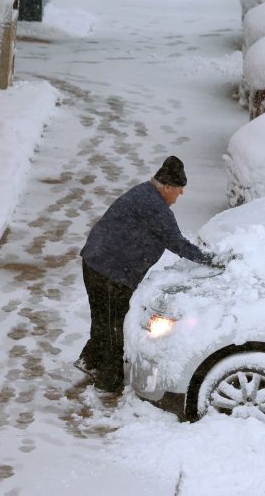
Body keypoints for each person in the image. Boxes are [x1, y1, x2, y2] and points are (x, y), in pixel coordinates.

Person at [76, 155, 219, 393]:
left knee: (102, 319)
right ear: (168, 187)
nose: (181, 194)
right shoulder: (154, 207)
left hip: (95, 262)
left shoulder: (144, 193)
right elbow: (177, 243)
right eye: (179, 189)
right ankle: (108, 380)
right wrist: (211, 259)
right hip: (110, 271)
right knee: (113, 325)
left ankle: (91, 362)